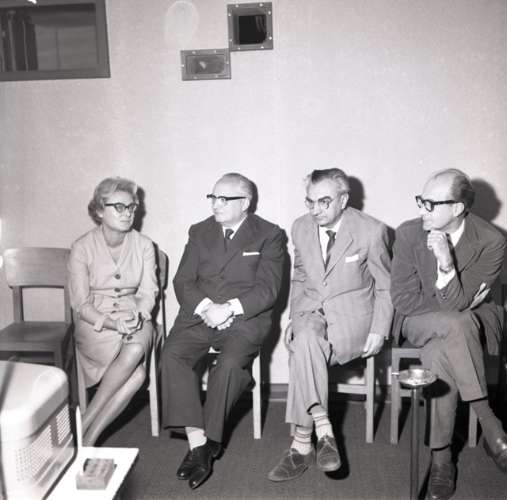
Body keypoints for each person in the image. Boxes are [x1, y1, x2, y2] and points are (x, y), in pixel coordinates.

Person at [161, 172, 285, 490]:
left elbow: (268, 290)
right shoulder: (200, 231)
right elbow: (183, 281)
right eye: (213, 197)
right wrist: (206, 308)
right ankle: (199, 444)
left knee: (229, 365)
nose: (215, 204)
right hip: (199, 315)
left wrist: (228, 308)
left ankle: (207, 443)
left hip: (244, 318)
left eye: (223, 199)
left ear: (245, 203)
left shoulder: (269, 234)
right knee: (171, 356)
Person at [268, 168, 393, 482]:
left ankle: (301, 444)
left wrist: (379, 330)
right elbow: (300, 276)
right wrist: (295, 317)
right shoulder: (300, 227)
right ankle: (324, 429)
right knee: (305, 339)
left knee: (303, 349)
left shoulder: (371, 231)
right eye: (310, 202)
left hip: (353, 322)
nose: (315, 210)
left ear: (344, 199)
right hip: (311, 314)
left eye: (324, 202)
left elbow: (385, 286)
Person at [390, 168, 507, 500]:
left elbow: (458, 305)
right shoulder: (408, 234)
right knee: (457, 322)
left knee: (441, 350)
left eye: (431, 204)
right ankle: (490, 422)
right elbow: (403, 299)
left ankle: (441, 460)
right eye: (421, 201)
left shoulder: (492, 240)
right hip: (418, 320)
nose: (422, 210)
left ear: (457, 208)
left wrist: (445, 263)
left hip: (474, 323)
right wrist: (456, 298)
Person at [68, 177, 158, 446]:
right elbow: (81, 304)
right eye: (118, 207)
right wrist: (110, 323)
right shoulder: (81, 247)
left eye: (131, 207)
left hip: (135, 315)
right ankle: (88, 435)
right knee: (137, 375)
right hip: (95, 323)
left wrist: (138, 314)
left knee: (134, 349)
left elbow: (148, 293)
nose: (127, 213)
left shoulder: (144, 245)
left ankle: (85, 430)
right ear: (99, 210)